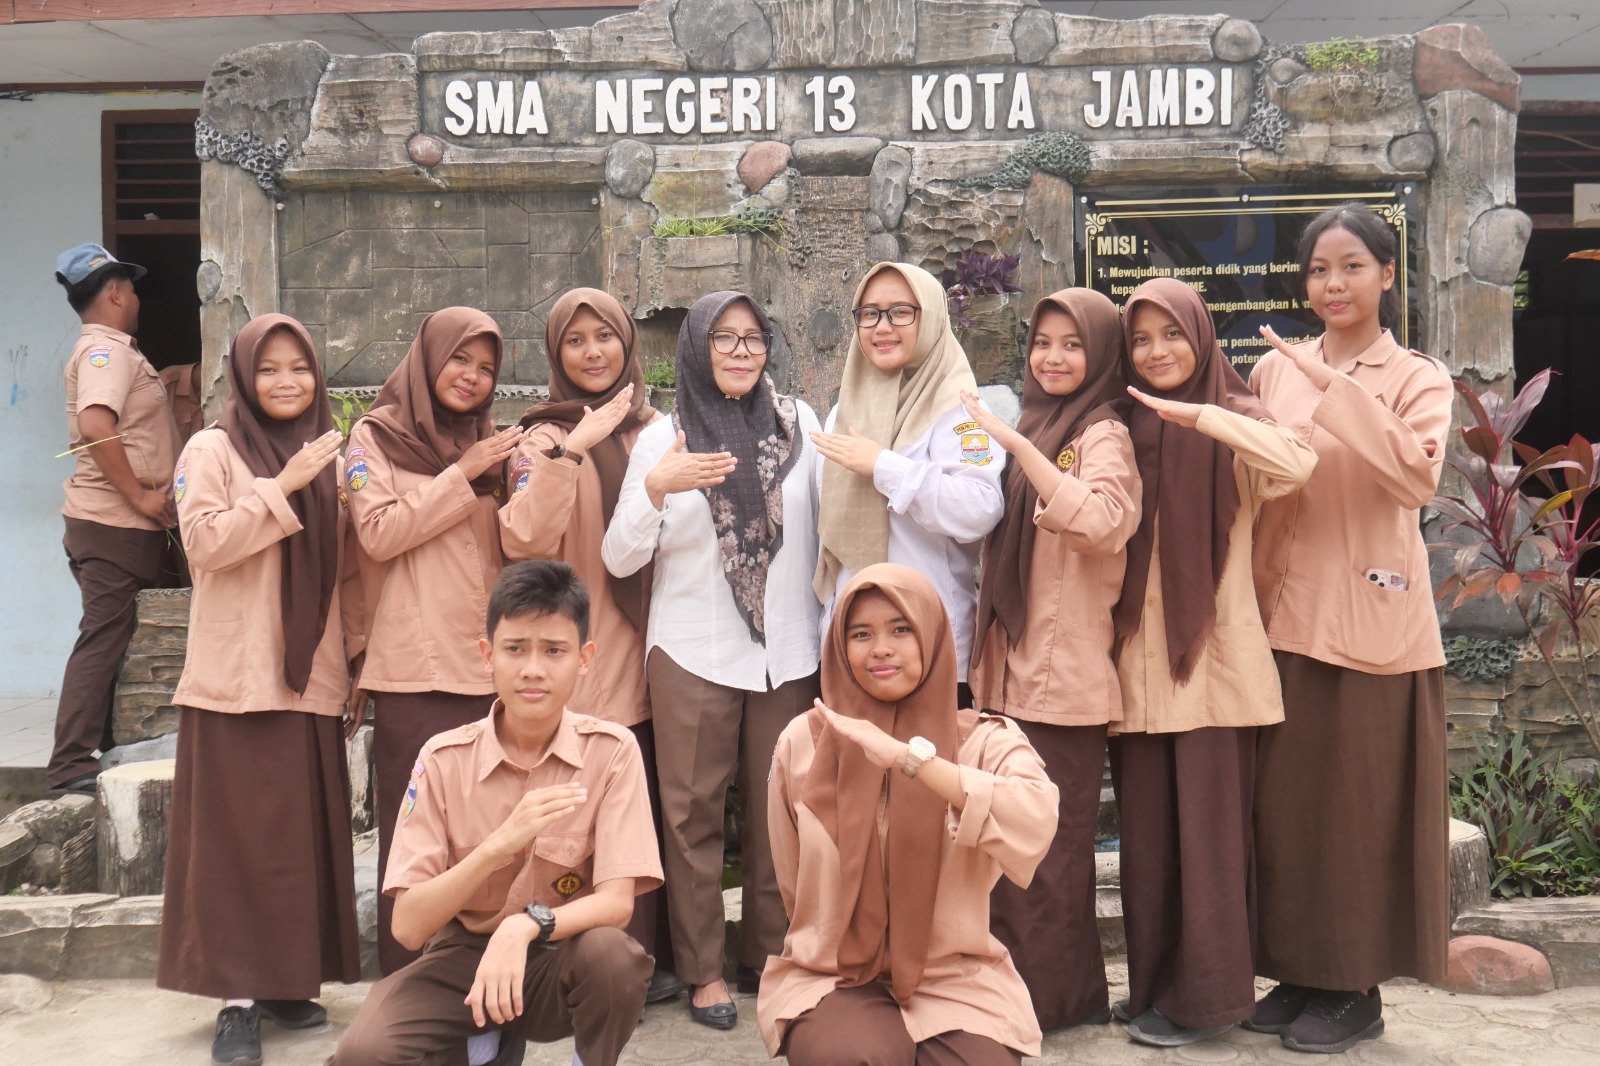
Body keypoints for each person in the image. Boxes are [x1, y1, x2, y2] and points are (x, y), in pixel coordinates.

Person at [1247, 203, 1453, 1054]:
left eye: (1352, 267)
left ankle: (1354, 989)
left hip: (1369, 627)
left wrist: (1334, 386)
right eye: (1318, 270)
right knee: (1285, 811)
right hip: (1278, 619)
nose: (1332, 284)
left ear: (1387, 274)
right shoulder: (1272, 371)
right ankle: (1300, 972)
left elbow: (1414, 479)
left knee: (1354, 814)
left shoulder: (1415, 377)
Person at [332, 560, 662, 1066]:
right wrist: (497, 846)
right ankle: (482, 1042)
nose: (533, 669)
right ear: (487, 655)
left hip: (558, 954)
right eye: (515, 649)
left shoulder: (611, 752)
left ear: (585, 659)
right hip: (463, 960)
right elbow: (408, 927)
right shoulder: (443, 760)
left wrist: (524, 926)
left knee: (615, 958)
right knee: (363, 1053)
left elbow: (617, 904)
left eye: (554, 650)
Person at [603, 291, 822, 1030]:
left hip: (786, 650)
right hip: (693, 649)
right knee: (691, 815)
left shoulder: (799, 424)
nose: (739, 351)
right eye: (722, 338)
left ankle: (769, 954)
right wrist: (656, 490)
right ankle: (702, 972)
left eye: (752, 337)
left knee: (779, 810)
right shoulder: (662, 438)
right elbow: (620, 556)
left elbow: (829, 525)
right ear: (697, 348)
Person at [1110, 277, 1316, 1048]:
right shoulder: (1123, 425)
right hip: (1136, 672)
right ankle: (1153, 991)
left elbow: (1297, 464)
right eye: (1140, 339)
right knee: (1149, 846)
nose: (1156, 351)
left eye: (1172, 334)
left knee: (1208, 846)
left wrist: (1204, 417)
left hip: (1215, 670)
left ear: (1201, 337)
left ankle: (1207, 1000)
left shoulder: (1236, 418)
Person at [156, 314, 360, 1066]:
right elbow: (205, 543)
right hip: (236, 683)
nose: (286, 382)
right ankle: (236, 1001)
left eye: (299, 368)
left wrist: (356, 661)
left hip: (309, 679)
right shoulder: (211, 448)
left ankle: (284, 981)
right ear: (244, 375)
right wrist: (285, 486)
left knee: (294, 846)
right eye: (269, 369)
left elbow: (345, 569)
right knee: (235, 847)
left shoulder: (329, 453)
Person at [759, 563, 1058, 1065]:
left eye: (901, 630)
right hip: (835, 976)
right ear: (840, 647)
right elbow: (793, 881)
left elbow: (1035, 820)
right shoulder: (803, 742)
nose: (881, 648)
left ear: (933, 637)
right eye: (861, 634)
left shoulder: (984, 741)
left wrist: (909, 760)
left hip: (955, 980)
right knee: (847, 1058)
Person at [963, 288, 1140, 1033]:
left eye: (1072, 345)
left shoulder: (1103, 433)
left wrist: (1020, 448)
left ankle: (1057, 1003)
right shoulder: (1039, 421)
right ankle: (1018, 993)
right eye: (1042, 343)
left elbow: (1103, 522)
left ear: (1099, 354)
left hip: (1063, 681)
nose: (1054, 358)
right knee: (1009, 849)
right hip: (1011, 672)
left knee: (1052, 855)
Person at [500, 287, 679, 1002]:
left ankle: (646, 957)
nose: (593, 352)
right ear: (556, 353)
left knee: (640, 808)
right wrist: (573, 448)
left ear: (627, 343)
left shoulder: (658, 430)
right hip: (576, 653)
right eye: (575, 341)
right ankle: (574, 964)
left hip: (654, 649)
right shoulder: (538, 440)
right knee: (575, 810)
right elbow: (523, 538)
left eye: (604, 336)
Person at [346, 306, 526, 974]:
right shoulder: (375, 438)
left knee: (486, 833)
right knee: (412, 833)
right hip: (414, 672)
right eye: (459, 360)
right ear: (427, 358)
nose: (472, 377)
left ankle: (485, 977)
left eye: (486, 368)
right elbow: (379, 533)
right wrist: (462, 474)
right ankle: (408, 980)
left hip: (485, 669)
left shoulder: (492, 443)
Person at [813, 262, 1006, 691]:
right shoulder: (844, 413)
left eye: (901, 312)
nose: (882, 327)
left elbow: (980, 509)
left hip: (929, 647)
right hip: (852, 651)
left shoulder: (961, 411)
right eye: (870, 313)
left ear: (931, 317)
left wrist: (883, 467)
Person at [47, 242, 182, 794]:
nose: (135, 299)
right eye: (131, 290)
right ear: (117, 293)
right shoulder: (107, 353)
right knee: (104, 635)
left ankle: (99, 745)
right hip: (113, 523)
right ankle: (70, 763)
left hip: (118, 526)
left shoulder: (111, 351)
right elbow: (96, 424)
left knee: (120, 634)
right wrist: (140, 498)